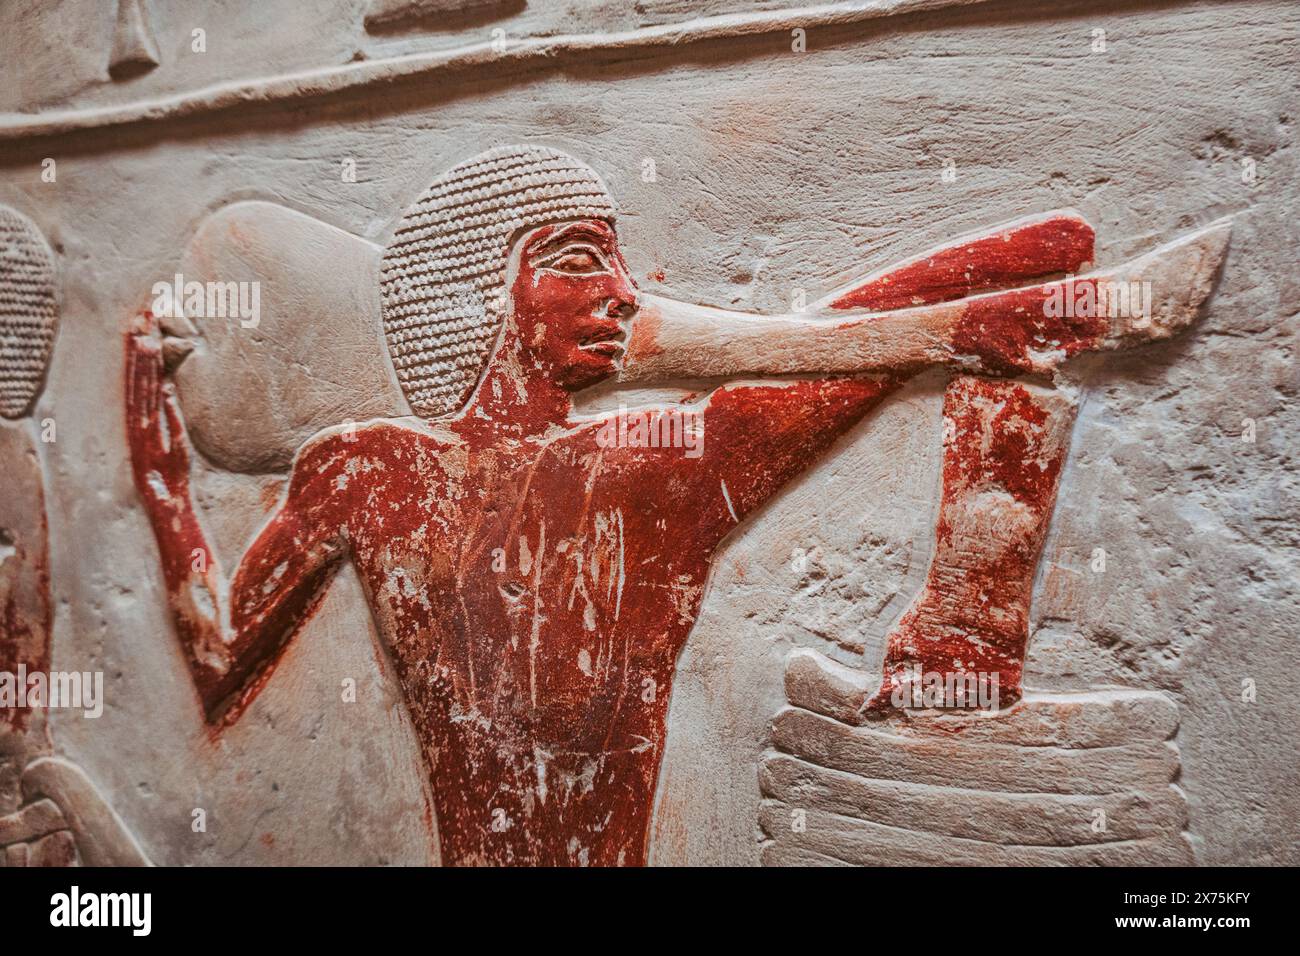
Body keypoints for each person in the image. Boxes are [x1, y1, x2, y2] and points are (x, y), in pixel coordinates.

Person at [126, 145, 1225, 865]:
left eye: (623, 265)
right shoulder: (619, 467)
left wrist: (978, 321)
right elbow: (223, 656)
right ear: (480, 296)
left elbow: (863, 334)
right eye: (576, 261)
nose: (620, 292)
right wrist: (156, 447)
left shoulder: (607, 464)